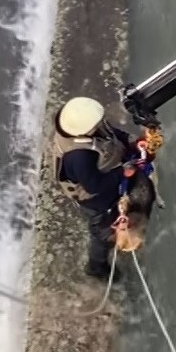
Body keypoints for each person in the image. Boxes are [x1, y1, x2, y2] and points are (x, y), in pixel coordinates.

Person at [52, 96, 138, 281]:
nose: (101, 123)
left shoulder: (80, 129)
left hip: (102, 176)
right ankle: (97, 266)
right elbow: (94, 185)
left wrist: (128, 140)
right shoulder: (79, 156)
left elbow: (108, 132)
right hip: (96, 200)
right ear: (84, 130)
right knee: (102, 232)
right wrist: (123, 173)